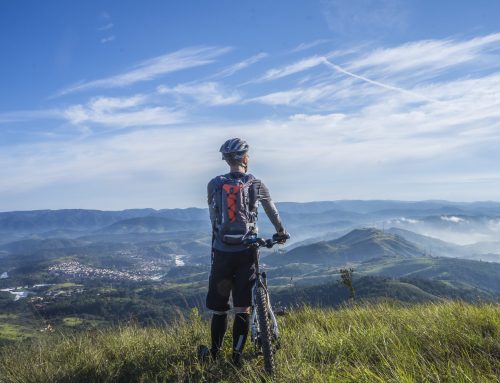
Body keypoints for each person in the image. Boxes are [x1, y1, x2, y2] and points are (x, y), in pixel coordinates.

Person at [202, 138, 288, 366]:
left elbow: (213, 219)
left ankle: (213, 355)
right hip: (247, 251)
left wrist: (219, 241)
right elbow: (272, 212)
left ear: (226, 160)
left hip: (221, 251)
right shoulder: (256, 184)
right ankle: (237, 357)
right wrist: (281, 232)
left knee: (220, 310)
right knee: (243, 306)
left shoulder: (214, 184)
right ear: (246, 158)